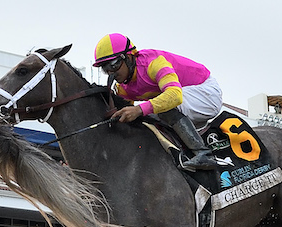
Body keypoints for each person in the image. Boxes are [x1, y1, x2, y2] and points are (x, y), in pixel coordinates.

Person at [93, 33, 223, 170]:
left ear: (129, 57)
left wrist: (138, 110)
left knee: (161, 106)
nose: (111, 73)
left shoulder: (153, 63)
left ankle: (204, 154)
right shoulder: (123, 88)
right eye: (105, 69)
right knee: (146, 120)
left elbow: (175, 96)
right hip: (187, 104)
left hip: (207, 93)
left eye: (114, 65)